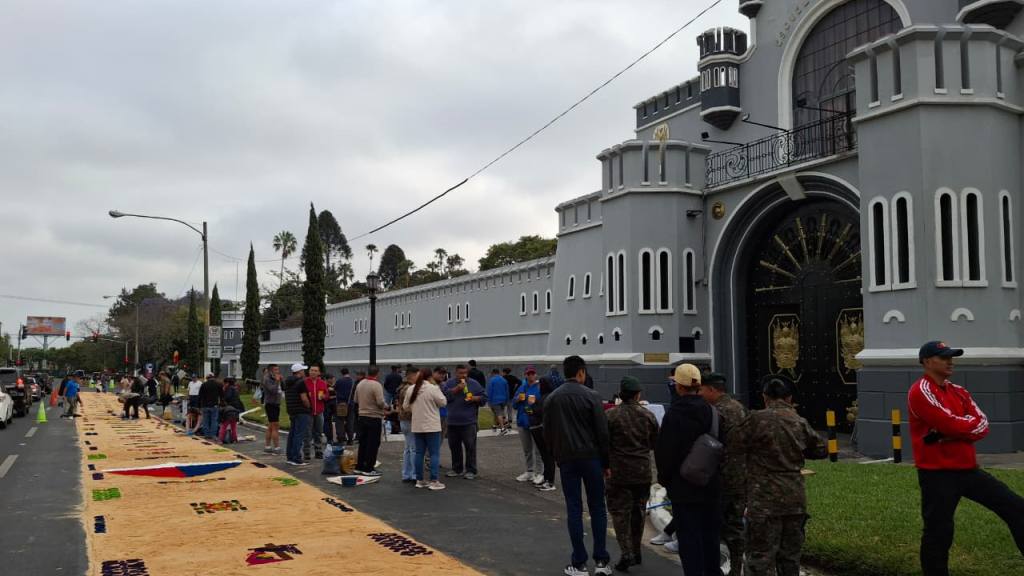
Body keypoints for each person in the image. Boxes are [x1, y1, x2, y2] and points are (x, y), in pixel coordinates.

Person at [908, 341, 1024, 575]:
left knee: (1016, 507)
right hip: (937, 474)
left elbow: (982, 424)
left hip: (967, 470)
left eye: (952, 357)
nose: (950, 361)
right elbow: (949, 423)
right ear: (927, 361)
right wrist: (955, 430)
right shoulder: (920, 391)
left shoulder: (959, 391)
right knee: (938, 532)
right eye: (944, 357)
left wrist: (949, 433)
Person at [736, 376, 827, 576]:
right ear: (789, 398)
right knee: (790, 557)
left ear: (764, 397)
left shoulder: (755, 419)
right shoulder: (799, 421)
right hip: (794, 497)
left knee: (761, 557)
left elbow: (735, 444)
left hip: (764, 499)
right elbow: (820, 450)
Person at [543, 355, 612, 576]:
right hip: (591, 457)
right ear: (581, 372)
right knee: (598, 507)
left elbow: (547, 432)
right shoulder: (592, 396)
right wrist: (606, 462)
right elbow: (602, 432)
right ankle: (601, 561)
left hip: (567, 458)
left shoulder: (552, 398)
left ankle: (579, 562)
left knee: (574, 508)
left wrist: (556, 455)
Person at [654, 364, 720, 576]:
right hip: (710, 484)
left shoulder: (673, 415)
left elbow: (664, 453)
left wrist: (665, 480)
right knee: (710, 536)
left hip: (683, 487)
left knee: (689, 540)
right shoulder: (713, 412)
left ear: (679, 387)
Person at [606, 376, 659, 572]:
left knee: (620, 514)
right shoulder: (648, 415)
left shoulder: (611, 415)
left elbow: (604, 443)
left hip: (618, 472)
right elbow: (655, 442)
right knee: (638, 513)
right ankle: (636, 551)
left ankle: (626, 552)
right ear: (637, 394)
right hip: (642, 471)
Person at [699, 371, 748, 576]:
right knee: (735, 525)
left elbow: (709, 444)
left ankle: (715, 567)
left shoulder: (715, 412)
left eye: (701, 389)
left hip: (721, 476)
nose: (699, 393)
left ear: (711, 389)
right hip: (742, 476)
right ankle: (736, 567)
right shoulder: (740, 408)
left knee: (714, 524)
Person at [405, 367, 447, 490]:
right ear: (430, 377)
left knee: (419, 453)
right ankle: (434, 480)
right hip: (432, 425)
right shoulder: (433, 388)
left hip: (417, 424)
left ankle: (419, 479)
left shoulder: (411, 389)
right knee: (434, 453)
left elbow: (406, 406)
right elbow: (443, 402)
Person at [443, 364, 487, 479]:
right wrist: (457, 389)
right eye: (461, 373)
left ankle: (471, 470)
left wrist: (475, 398)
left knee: (470, 447)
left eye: (465, 373)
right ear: (455, 373)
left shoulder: (474, 383)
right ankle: (457, 469)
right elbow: (444, 398)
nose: (464, 375)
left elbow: (484, 399)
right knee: (454, 446)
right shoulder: (449, 383)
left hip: (468, 421)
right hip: (452, 421)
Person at [511, 366, 545, 485]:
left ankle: (540, 472)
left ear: (535, 374)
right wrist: (518, 400)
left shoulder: (540, 387)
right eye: (528, 374)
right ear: (525, 375)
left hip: (535, 422)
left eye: (532, 373)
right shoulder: (522, 387)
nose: (530, 376)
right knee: (527, 449)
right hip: (522, 421)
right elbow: (514, 405)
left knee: (538, 449)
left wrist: (535, 401)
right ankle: (529, 471)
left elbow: (544, 403)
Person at [354, 365, 388, 476]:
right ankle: (369, 468)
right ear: (377, 373)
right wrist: (387, 407)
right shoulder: (376, 385)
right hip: (374, 417)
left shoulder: (360, 383)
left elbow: (355, 399)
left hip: (362, 416)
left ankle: (359, 466)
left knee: (363, 442)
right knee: (373, 444)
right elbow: (380, 402)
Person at [284, 363, 311, 466]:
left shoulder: (287, 382)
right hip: (301, 411)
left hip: (292, 410)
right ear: (299, 372)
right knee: (299, 435)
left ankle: (290, 457)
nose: (304, 372)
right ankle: (296, 458)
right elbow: (304, 398)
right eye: (303, 371)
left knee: (292, 434)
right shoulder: (301, 383)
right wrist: (309, 407)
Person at [396, 369, 418, 483]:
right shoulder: (411, 389)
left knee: (407, 448)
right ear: (412, 376)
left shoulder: (401, 388)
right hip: (410, 419)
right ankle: (414, 474)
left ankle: (406, 474)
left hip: (402, 419)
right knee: (414, 448)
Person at [304, 365, 328, 460]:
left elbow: (327, 395)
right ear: (309, 372)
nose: (313, 372)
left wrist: (323, 397)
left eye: (315, 371)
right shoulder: (305, 382)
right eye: (312, 370)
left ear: (319, 373)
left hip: (319, 411)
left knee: (318, 432)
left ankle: (318, 451)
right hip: (308, 412)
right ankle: (306, 452)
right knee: (307, 433)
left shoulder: (322, 383)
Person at [261, 364, 283, 453]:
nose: (277, 371)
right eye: (275, 369)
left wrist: (281, 380)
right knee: (275, 426)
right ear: (271, 370)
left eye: (278, 369)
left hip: (276, 403)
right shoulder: (267, 379)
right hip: (271, 404)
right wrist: (277, 381)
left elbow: (282, 388)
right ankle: (277, 447)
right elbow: (272, 390)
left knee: (271, 426)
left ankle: (267, 446)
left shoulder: (274, 378)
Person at [218, 377, 245, 444]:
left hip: (229, 410)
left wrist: (223, 391)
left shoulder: (229, 389)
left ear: (227, 383)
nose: (223, 384)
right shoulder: (235, 389)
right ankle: (234, 439)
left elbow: (227, 398)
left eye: (224, 383)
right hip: (236, 409)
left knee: (224, 425)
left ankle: (220, 439)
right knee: (233, 425)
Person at [334, 368, 356, 445]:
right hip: (350, 404)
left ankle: (341, 438)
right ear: (348, 372)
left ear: (341, 373)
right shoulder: (353, 382)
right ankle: (350, 439)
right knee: (350, 421)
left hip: (340, 404)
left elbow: (335, 389)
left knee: (340, 421)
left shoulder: (339, 381)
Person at [486, 368, 510, 434]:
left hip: (495, 400)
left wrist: (489, 401)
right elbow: (507, 391)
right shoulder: (504, 380)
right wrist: (507, 400)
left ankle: (502, 428)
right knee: (498, 413)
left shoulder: (492, 380)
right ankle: (494, 425)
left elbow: (490, 391)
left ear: (493, 373)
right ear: (499, 373)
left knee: (499, 414)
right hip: (503, 399)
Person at [323, 373, 338, 446]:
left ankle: (333, 438)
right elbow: (323, 396)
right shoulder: (324, 386)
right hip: (327, 405)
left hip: (333, 406)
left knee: (334, 421)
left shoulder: (334, 386)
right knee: (327, 421)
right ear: (328, 379)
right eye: (332, 378)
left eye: (333, 378)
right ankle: (329, 438)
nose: (333, 380)